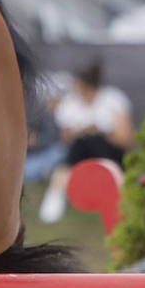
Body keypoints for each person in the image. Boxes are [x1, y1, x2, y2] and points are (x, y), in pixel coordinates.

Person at [37, 60, 134, 223]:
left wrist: (99, 131)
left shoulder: (113, 99)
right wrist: (79, 132)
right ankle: (55, 197)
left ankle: (121, 202)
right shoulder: (70, 104)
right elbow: (65, 138)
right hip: (79, 154)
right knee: (79, 144)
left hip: (109, 152)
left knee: (92, 140)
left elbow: (125, 139)